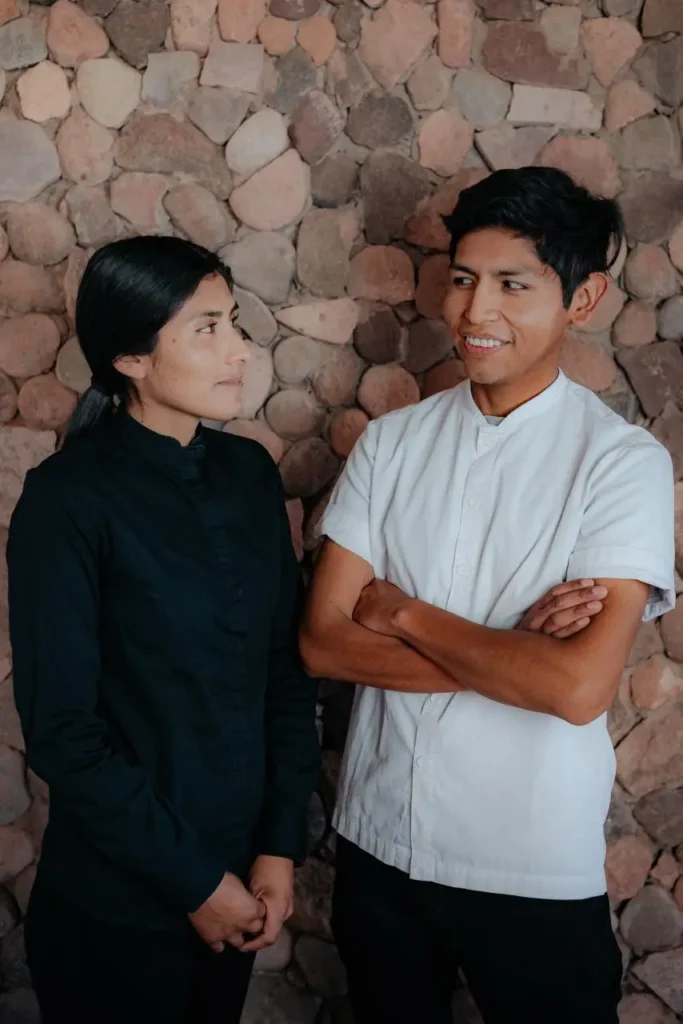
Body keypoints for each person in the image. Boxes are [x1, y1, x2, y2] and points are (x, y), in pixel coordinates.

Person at [300, 167, 675, 1024]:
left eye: (513, 285)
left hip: (528, 862)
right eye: (463, 280)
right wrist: (515, 653)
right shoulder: (391, 443)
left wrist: (401, 615)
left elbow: (574, 690)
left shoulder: (620, 462)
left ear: (582, 299)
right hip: (378, 841)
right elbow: (322, 643)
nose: (475, 313)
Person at [7, 236, 320, 1024]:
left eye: (234, 324)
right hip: (116, 910)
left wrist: (276, 848)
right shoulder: (66, 500)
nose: (238, 351)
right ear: (131, 358)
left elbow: (282, 675)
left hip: (241, 890)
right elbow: (64, 733)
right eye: (205, 330)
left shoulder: (249, 474)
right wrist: (195, 884)